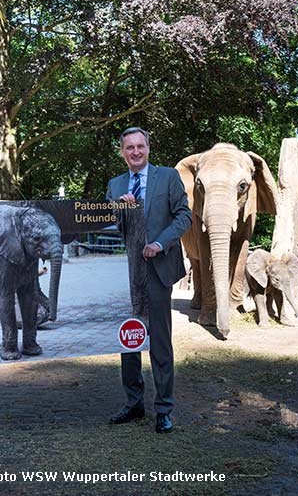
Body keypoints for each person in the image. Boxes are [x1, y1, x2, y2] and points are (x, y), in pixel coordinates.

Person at [106, 127, 191, 433]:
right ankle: (134, 403)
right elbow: (109, 227)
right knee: (128, 339)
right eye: (129, 148)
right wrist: (122, 211)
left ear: (148, 148)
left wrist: (160, 243)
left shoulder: (168, 177)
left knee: (159, 342)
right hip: (127, 273)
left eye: (140, 146)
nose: (135, 152)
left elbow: (184, 216)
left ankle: (164, 409)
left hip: (158, 269)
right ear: (122, 152)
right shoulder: (115, 185)